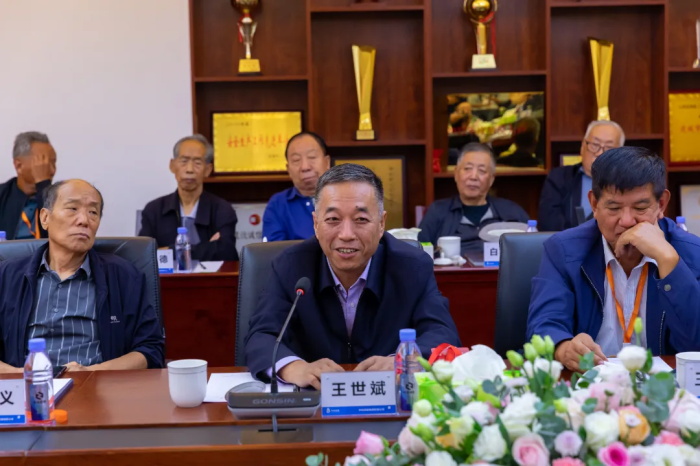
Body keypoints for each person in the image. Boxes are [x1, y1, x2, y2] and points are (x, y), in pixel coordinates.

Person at [245, 163, 461, 389]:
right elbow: (261, 336)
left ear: (381, 224)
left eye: (361, 220)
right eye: (333, 219)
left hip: (389, 398)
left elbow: (443, 334)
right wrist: (295, 368)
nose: (346, 234)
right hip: (314, 398)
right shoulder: (291, 266)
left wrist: (402, 362)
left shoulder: (412, 266)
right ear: (316, 224)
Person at [528, 147, 700, 372]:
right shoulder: (563, 250)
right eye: (614, 207)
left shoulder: (691, 253)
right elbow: (544, 325)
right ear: (594, 204)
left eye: (640, 207)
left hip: (666, 385)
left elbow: (695, 344)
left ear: (661, 204)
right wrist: (564, 347)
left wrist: (668, 262)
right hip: (590, 381)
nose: (627, 221)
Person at [0, 179, 164, 373]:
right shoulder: (7, 276)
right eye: (72, 209)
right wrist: (20, 375)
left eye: (93, 212)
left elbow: (150, 349)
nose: (84, 220)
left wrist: (93, 372)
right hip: (26, 386)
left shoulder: (123, 275)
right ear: (45, 218)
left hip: (98, 386)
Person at [139, 134, 238, 261]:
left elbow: (226, 252)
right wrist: (208, 248)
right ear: (172, 165)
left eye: (197, 163)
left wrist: (167, 251)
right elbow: (143, 255)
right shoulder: (154, 210)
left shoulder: (222, 209)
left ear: (208, 169)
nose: (190, 169)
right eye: (184, 161)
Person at [418, 142, 529, 254]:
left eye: (482, 171)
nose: (473, 176)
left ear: (491, 179)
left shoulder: (512, 211)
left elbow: (532, 248)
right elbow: (419, 252)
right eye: (467, 168)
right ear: (456, 174)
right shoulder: (438, 211)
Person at [538, 120, 625, 231]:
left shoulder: (627, 183)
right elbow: (549, 224)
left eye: (609, 148)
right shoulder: (559, 178)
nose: (599, 153)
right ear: (582, 147)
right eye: (595, 145)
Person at [262, 131, 331, 241]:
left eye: (312, 157)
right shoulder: (278, 204)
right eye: (296, 160)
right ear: (288, 169)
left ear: (327, 162)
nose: (305, 167)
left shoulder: (346, 197)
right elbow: (273, 249)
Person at [0, 131, 56, 240]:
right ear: (19, 166)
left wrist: (43, 185)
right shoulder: (3, 195)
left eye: (53, 162)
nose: (52, 170)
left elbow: (57, 232)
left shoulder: (59, 199)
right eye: (42, 163)